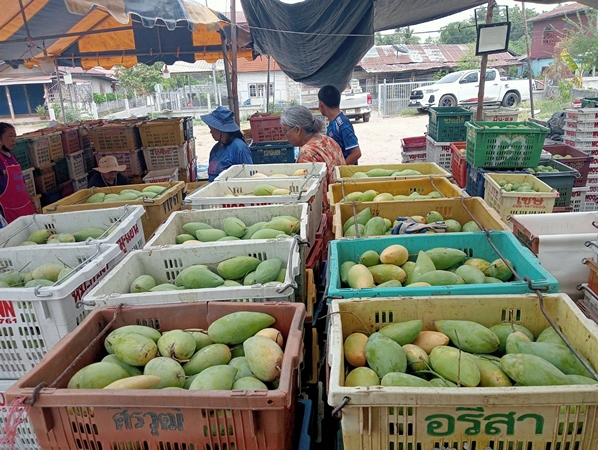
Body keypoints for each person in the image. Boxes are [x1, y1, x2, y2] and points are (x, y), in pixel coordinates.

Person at [281, 105, 345, 243]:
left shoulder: (307, 153)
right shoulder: (328, 140)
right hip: (342, 210)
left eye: (285, 131)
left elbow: (312, 198)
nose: (285, 135)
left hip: (326, 223)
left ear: (297, 130)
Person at [201, 106, 253, 182]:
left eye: (211, 128)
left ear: (221, 129)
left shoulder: (240, 149)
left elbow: (248, 177)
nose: (210, 132)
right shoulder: (215, 149)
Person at [0, 123, 35, 223]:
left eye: (14, 136)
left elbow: (21, 181)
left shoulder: (12, 157)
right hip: (9, 211)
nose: (13, 140)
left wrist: (29, 198)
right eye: (10, 136)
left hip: (25, 205)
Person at [318, 85, 362, 165]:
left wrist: (339, 169)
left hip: (345, 172)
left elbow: (356, 153)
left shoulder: (342, 124)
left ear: (321, 104)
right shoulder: (333, 123)